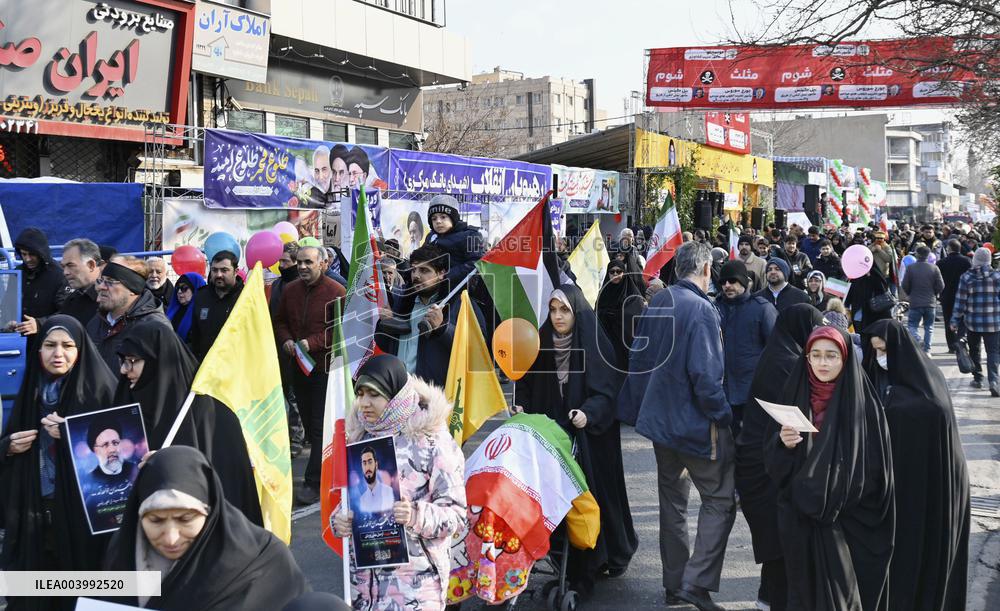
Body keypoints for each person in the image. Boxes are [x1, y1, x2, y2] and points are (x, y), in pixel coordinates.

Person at [619, 241, 734, 610]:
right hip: (694, 424)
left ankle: (677, 585)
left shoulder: (661, 302)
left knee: (673, 503)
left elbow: (637, 362)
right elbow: (706, 377)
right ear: (705, 269)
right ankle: (694, 584)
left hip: (661, 424)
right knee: (719, 499)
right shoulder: (701, 310)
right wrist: (724, 415)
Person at [514, 285, 638, 594]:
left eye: (564, 310)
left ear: (576, 312)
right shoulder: (539, 344)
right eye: (553, 310)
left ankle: (601, 556)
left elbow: (608, 390)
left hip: (589, 440)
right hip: (551, 438)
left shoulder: (595, 343)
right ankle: (564, 558)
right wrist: (521, 407)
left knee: (594, 497)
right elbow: (526, 384)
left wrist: (588, 412)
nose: (557, 316)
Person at [765, 326, 894, 611]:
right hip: (800, 524)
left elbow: (875, 472)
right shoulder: (793, 394)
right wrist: (782, 444)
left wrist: (831, 494)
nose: (823, 363)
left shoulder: (864, 405)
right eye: (816, 355)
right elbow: (773, 467)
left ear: (845, 358)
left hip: (846, 523)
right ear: (807, 358)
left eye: (831, 356)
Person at [0, 316, 118, 610]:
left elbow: (119, 458)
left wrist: (73, 436)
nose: (58, 354)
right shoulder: (32, 391)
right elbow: (8, 441)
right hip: (35, 510)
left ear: (81, 349)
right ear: (37, 350)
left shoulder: (102, 391)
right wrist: (7, 447)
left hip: (81, 516)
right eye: (49, 345)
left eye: (68, 346)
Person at [333, 355, 466, 611]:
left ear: (394, 397)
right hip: (366, 589)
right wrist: (340, 520)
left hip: (416, 587)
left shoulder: (431, 441)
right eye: (360, 394)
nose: (364, 403)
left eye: (374, 394)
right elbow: (349, 500)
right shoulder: (358, 439)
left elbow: (457, 516)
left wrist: (415, 514)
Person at [102, 446, 308, 610]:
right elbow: (90, 590)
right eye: (155, 521)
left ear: (210, 511)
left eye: (185, 519)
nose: (171, 538)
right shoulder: (125, 549)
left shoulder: (264, 561)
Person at [861, 320, 970, 611]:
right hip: (899, 487)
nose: (879, 358)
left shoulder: (925, 390)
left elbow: (927, 418)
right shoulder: (877, 378)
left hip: (928, 486)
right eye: (874, 352)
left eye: (883, 351)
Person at [114, 322, 262, 525]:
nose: (124, 370)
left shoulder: (213, 414)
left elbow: (229, 488)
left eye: (132, 361)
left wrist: (173, 465)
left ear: (160, 360)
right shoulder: (126, 402)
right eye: (122, 360)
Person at [736, 304, 823, 611]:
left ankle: (767, 598)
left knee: (777, 545)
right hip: (765, 468)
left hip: (760, 463)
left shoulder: (780, 355)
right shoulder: (787, 363)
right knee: (780, 544)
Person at [275, 245, 346, 505]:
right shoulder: (290, 290)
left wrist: (312, 342)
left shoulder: (337, 292)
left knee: (318, 426)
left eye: (308, 262)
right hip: (298, 368)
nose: (302, 267)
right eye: (299, 262)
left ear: (323, 264)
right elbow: (280, 321)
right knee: (309, 424)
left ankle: (314, 482)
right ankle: (328, 471)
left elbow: (342, 330)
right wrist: (286, 340)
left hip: (325, 369)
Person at [376, 243, 477, 388]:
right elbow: (384, 345)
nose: (416, 275)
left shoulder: (459, 304)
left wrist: (443, 328)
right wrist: (385, 324)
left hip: (433, 395)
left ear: (441, 273)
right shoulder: (401, 302)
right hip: (398, 390)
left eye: (424, 270)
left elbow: (474, 349)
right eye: (413, 270)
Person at [715, 260, 777, 440]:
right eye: (723, 282)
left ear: (744, 282)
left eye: (732, 281)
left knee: (750, 446)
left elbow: (775, 350)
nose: (727, 286)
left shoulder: (762, 309)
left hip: (752, 392)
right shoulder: (714, 308)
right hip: (721, 392)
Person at [86, 258, 171, 373]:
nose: (101, 287)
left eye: (110, 281)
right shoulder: (96, 322)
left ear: (132, 288)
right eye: (101, 281)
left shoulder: (155, 327)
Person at [950, 247, 1000, 396]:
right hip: (994, 322)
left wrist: (954, 320)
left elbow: (960, 302)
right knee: (993, 352)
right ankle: (994, 381)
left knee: (974, 350)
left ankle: (978, 378)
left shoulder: (966, 277)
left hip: (972, 322)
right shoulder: (997, 277)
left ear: (975, 259)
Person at [9, 228, 68, 334]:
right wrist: (8, 321)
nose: (27, 259)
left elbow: (66, 312)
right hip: (18, 336)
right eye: (23, 254)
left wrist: (39, 324)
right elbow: (8, 304)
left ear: (41, 253)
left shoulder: (59, 275)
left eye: (32, 254)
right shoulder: (16, 272)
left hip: (47, 335)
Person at [188, 251, 244, 361]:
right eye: (214, 270)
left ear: (236, 271)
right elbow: (196, 334)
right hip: (206, 366)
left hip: (236, 367)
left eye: (224, 270)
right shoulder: (201, 296)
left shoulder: (245, 297)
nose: (218, 275)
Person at [423, 194, 485, 288]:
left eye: (443, 217)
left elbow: (476, 263)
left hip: (460, 291)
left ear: (453, 217)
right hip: (431, 289)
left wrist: (446, 276)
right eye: (434, 218)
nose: (438, 221)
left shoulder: (470, 235)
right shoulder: (431, 236)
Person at [596, 259, 645, 371]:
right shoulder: (604, 292)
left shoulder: (632, 292)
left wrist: (616, 315)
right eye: (612, 272)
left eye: (619, 271)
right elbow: (597, 315)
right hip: (608, 343)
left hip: (627, 344)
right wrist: (606, 315)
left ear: (624, 272)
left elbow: (635, 316)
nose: (615, 275)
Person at [901, 245, 945, 354]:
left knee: (912, 325)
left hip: (915, 301)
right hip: (930, 301)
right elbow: (941, 285)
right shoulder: (934, 268)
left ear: (917, 254)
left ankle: (918, 339)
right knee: (929, 327)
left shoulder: (911, 268)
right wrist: (934, 293)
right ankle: (927, 349)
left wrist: (909, 293)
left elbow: (904, 284)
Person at [56, 238, 103, 327]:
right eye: (63, 266)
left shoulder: (111, 300)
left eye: (71, 265)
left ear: (91, 265)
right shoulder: (71, 300)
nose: (65, 272)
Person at [938, 239, 972, 352]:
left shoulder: (941, 262)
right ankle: (961, 341)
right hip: (964, 295)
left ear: (948, 249)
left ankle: (952, 346)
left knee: (948, 321)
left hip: (946, 295)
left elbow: (938, 280)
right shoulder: (967, 261)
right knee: (963, 320)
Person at [165, 272, 207, 343]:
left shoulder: (203, 314)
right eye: (177, 288)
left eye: (184, 288)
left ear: (195, 289)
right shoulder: (172, 310)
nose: (179, 292)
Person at [356, 446, 395, 514]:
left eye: (370, 462)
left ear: (376, 464)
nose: (367, 467)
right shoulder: (362, 499)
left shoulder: (385, 477)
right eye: (364, 463)